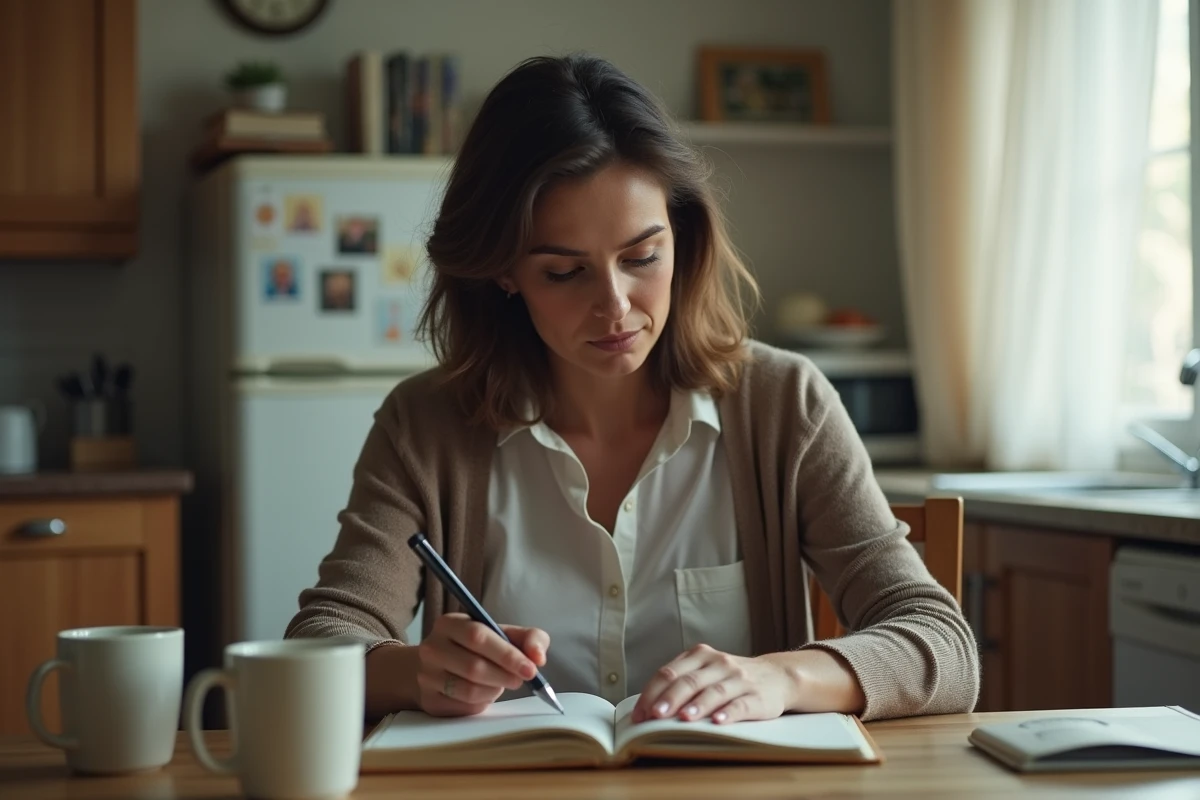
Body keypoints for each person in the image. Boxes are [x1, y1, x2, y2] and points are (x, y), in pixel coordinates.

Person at [285, 54, 979, 725]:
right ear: (504, 272)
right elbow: (319, 642)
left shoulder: (783, 404)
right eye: (564, 273)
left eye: (642, 257)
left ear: (681, 237)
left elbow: (941, 644)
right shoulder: (425, 424)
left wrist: (782, 677)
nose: (615, 306)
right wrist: (416, 671)